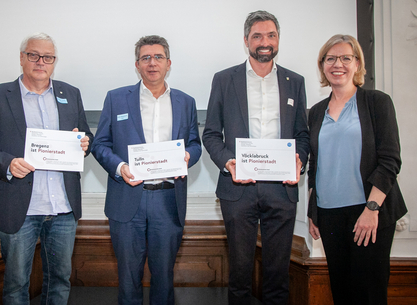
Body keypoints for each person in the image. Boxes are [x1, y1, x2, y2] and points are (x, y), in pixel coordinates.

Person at [0, 32, 92, 305]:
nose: (41, 62)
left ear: (54, 61)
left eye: (47, 57)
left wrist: (85, 143)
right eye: (34, 55)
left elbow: (86, 137)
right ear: (22, 58)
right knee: (16, 285)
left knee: (60, 280)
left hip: (63, 207)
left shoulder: (70, 94)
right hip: (18, 207)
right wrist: (7, 163)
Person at [202, 10, 310, 305]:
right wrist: (228, 162)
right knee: (239, 275)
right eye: (258, 36)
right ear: (246, 40)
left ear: (278, 39)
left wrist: (299, 160)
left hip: (281, 190)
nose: (265, 42)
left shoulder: (295, 82)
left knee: (277, 275)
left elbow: (303, 134)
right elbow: (211, 134)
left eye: (271, 35)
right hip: (238, 190)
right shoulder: (225, 80)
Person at [92, 35, 201, 305]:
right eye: (146, 58)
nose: (152, 63)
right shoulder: (116, 98)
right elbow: (100, 144)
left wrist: (188, 156)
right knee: (128, 278)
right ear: (137, 65)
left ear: (168, 63)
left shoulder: (186, 102)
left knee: (164, 276)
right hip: (127, 198)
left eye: (158, 57)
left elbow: (195, 144)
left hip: (168, 199)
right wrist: (119, 166)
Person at [307, 34, 407, 305]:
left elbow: (390, 160)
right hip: (328, 215)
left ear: (357, 64)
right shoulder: (315, 112)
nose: (337, 64)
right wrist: (313, 211)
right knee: (342, 292)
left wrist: (372, 210)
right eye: (330, 58)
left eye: (345, 58)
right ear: (323, 65)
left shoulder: (377, 103)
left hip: (368, 212)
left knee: (369, 293)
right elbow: (314, 163)